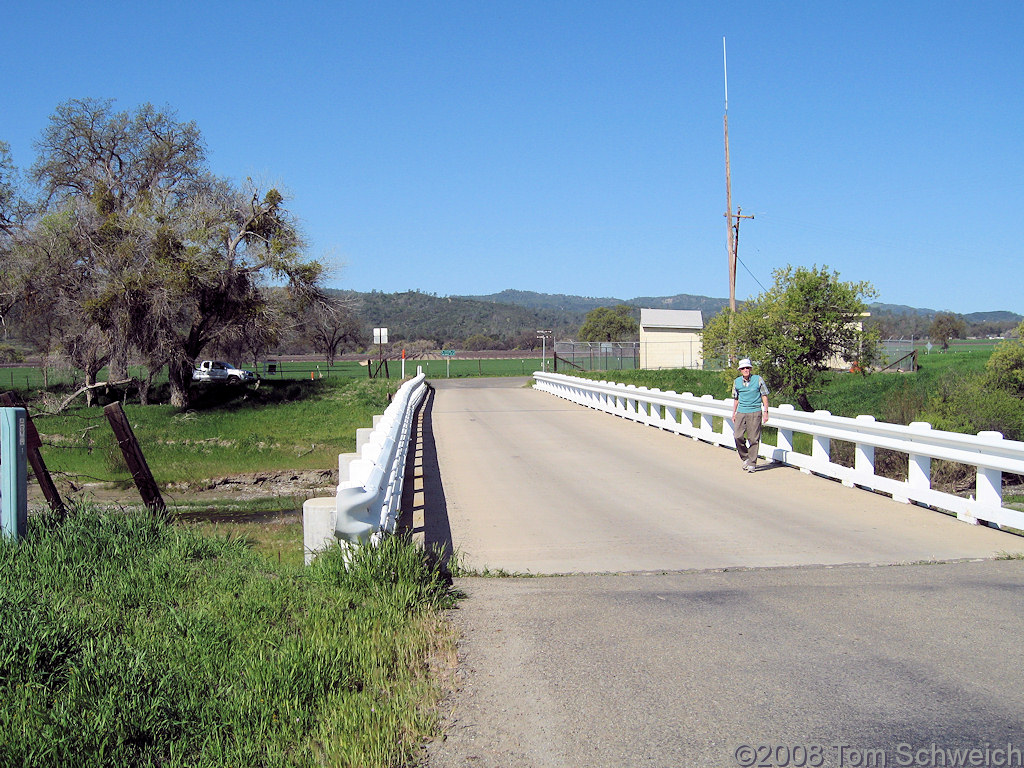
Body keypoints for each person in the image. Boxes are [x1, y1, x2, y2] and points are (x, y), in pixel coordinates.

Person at [731, 358, 769, 473]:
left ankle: (752, 463)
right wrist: (734, 412)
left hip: (754, 411)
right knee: (738, 436)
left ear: (751, 369)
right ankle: (745, 457)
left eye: (747, 368)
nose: (746, 370)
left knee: (753, 438)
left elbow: (764, 395)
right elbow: (736, 398)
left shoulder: (758, 379)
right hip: (741, 411)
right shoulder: (737, 382)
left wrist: (765, 412)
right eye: (743, 368)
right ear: (740, 370)